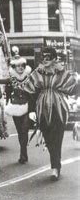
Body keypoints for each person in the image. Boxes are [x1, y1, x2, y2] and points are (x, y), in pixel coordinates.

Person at [25, 46, 78, 181]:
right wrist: (31, 110)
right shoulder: (37, 73)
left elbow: (72, 89)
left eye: (48, 56)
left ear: (54, 58)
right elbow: (31, 92)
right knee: (48, 138)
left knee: (57, 137)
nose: (45, 59)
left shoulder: (61, 72)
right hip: (42, 109)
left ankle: (55, 166)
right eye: (43, 56)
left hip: (58, 109)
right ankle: (55, 163)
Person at [4, 46, 32, 164]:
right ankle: (23, 152)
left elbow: (32, 92)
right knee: (20, 131)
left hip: (26, 107)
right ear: (14, 67)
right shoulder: (11, 80)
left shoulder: (29, 78)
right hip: (15, 107)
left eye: (22, 66)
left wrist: (33, 108)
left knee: (25, 130)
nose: (20, 68)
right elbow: (7, 92)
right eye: (18, 66)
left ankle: (23, 153)